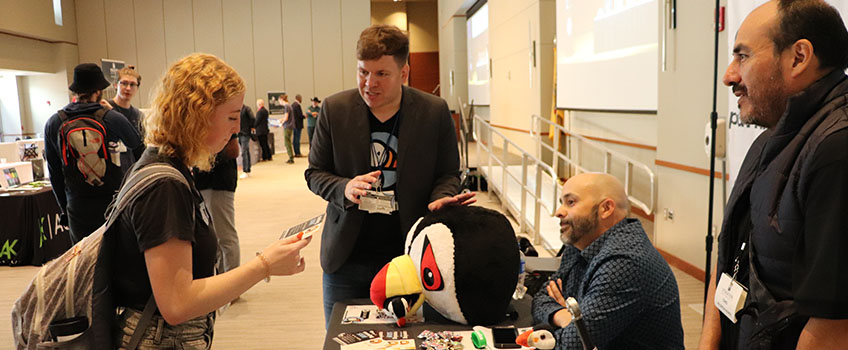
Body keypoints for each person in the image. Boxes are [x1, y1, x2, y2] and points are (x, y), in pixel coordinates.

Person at [110, 53, 311, 349]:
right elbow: (177, 303)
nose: (236, 128)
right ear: (196, 114)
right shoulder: (165, 185)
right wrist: (264, 265)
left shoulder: (170, 169)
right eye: (231, 117)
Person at [305, 24, 476, 327]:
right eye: (363, 72)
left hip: (410, 254)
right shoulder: (335, 109)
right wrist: (344, 187)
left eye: (381, 74)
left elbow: (448, 173)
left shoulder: (433, 111)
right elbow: (315, 173)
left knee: (407, 339)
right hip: (347, 256)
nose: (369, 83)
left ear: (404, 73)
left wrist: (440, 199)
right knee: (341, 340)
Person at [699, 1, 848, 349]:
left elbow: (834, 325)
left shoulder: (836, 150)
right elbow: (728, 257)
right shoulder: (767, 141)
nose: (729, 75)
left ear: (798, 57)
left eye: (744, 56)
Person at [531, 173, 684, 349]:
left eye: (571, 202)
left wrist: (573, 324)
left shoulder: (625, 262)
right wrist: (563, 316)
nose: (559, 212)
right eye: (561, 203)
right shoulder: (581, 242)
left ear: (606, 208)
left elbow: (572, 345)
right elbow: (542, 297)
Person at [43, 63, 143, 243]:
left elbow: (54, 172)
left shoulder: (55, 122)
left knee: (82, 259)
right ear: (98, 91)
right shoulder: (112, 117)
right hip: (112, 202)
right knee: (114, 257)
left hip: (77, 203)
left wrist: (64, 208)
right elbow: (140, 152)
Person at [194, 134, 241, 275]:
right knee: (215, 238)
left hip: (219, 182)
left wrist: (203, 158)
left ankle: (233, 282)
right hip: (203, 182)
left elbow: (234, 150)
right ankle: (223, 280)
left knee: (225, 236)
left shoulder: (222, 120)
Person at [103, 67, 146, 173]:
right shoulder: (105, 109)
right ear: (115, 85)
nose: (128, 88)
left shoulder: (138, 115)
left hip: (131, 172)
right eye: (124, 83)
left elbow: (140, 149)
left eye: (132, 85)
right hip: (110, 170)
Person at [238, 104, 255, 178]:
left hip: (245, 133)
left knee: (244, 152)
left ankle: (245, 170)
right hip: (240, 133)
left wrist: (251, 127)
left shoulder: (246, 109)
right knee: (246, 151)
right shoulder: (238, 109)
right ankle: (248, 169)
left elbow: (252, 118)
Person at [280, 93, 295, 164]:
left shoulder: (286, 106)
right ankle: (291, 156)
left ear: (281, 99)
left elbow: (286, 118)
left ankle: (291, 157)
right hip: (290, 126)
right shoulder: (289, 105)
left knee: (287, 142)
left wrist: (280, 121)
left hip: (287, 126)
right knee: (288, 141)